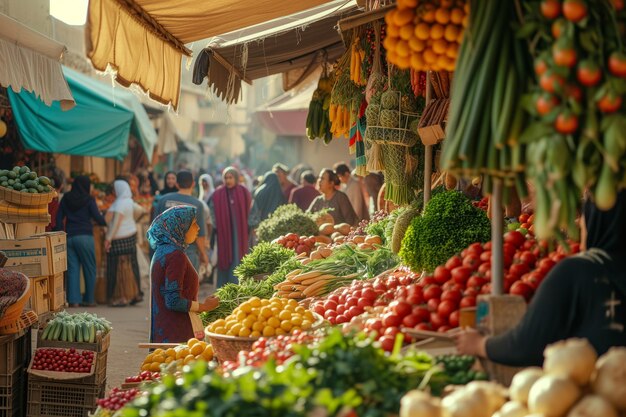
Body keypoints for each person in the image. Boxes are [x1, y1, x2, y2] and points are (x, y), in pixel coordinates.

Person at [455, 190, 626, 366]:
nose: (579, 224)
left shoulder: (578, 269)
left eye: (583, 218)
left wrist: (479, 345)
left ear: (596, 222)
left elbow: (526, 345)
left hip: (600, 388)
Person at [148, 206, 219, 343]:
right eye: (193, 224)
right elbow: (173, 301)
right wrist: (204, 307)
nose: (198, 228)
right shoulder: (175, 256)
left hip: (164, 331)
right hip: (175, 336)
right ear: (179, 228)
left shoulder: (163, 250)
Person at [55, 175, 107, 307]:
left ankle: (74, 301)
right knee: (89, 268)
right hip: (85, 237)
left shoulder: (66, 198)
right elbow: (97, 217)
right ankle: (89, 300)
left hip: (70, 236)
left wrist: (61, 232)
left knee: (72, 269)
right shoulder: (89, 199)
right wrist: (104, 220)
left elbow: (58, 217)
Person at [155, 171, 209, 272]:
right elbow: (200, 236)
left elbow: (155, 229)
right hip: (189, 254)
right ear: (193, 184)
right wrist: (203, 254)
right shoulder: (197, 205)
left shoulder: (163, 200)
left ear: (177, 184)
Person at [209, 167, 252, 288]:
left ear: (236, 178)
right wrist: (217, 226)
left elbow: (251, 209)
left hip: (239, 232)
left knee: (238, 255)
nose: (228, 180)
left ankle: (237, 285)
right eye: (226, 178)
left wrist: (250, 226)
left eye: (230, 177)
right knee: (224, 257)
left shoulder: (243, 191)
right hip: (224, 233)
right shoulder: (218, 194)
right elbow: (212, 211)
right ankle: (224, 286)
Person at [104, 180, 143, 307]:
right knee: (132, 265)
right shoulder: (130, 202)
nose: (114, 192)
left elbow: (115, 223)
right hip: (131, 236)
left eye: (115, 189)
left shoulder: (119, 203)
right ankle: (135, 293)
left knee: (115, 268)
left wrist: (108, 238)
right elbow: (142, 211)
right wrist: (133, 221)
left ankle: (118, 296)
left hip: (118, 238)